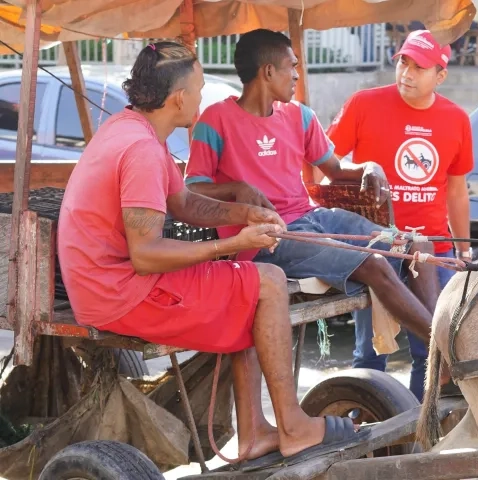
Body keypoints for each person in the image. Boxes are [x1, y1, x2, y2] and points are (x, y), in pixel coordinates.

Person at [57, 41, 369, 468]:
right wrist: (233, 244)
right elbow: (146, 255)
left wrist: (243, 212)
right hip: (118, 294)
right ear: (178, 98)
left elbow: (183, 201)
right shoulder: (142, 150)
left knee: (248, 286)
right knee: (268, 281)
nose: (203, 98)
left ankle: (257, 432)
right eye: (200, 89)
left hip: (108, 284)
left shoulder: (130, 127)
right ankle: (292, 427)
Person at [183, 29, 440, 355]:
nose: (296, 75)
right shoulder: (216, 119)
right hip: (269, 239)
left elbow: (335, 170)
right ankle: (444, 351)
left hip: (314, 219)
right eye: (292, 66)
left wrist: (370, 167)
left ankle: (441, 353)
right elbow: (192, 189)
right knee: (374, 263)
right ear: (268, 72)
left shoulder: (300, 116)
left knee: (419, 246)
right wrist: (236, 187)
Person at [326, 29, 473, 401]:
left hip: (433, 250)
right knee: (370, 352)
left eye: (419, 67)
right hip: (376, 250)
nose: (407, 72)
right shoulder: (363, 103)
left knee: (430, 351)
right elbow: (325, 162)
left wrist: (464, 248)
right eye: (403, 62)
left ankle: (416, 434)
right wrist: (359, 172)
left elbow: (456, 189)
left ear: (440, 75)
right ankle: (364, 426)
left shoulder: (456, 119)